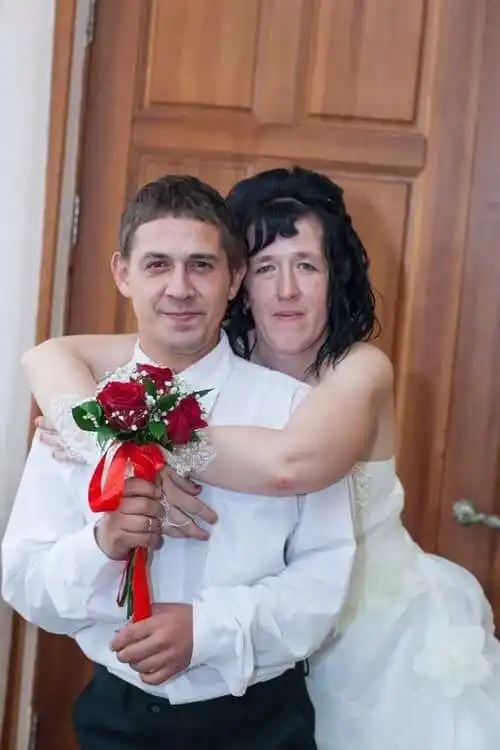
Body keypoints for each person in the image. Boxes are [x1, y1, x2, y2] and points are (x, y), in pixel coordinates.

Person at [16, 166, 500, 750]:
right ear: (242, 279)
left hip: (370, 638)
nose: (286, 289)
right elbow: (49, 355)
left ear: (335, 274)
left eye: (307, 266)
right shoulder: (186, 360)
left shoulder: (354, 372)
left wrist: (129, 438)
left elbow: (288, 465)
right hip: (184, 684)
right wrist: (94, 434)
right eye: (267, 267)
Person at [1, 174, 358, 750]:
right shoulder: (82, 417)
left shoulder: (295, 411)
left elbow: (323, 583)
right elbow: (24, 581)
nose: (180, 288)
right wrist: (102, 544)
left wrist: (206, 629)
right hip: (118, 717)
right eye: (157, 265)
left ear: (233, 277)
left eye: (201, 265)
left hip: (264, 724)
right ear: (123, 273)